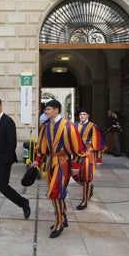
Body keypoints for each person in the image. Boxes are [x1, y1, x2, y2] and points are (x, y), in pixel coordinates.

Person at [33, 100, 86, 238]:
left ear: (56, 110)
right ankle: (63, 217)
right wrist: (37, 161)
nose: (46, 111)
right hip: (51, 162)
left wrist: (75, 166)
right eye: (46, 109)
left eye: (48, 109)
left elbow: (79, 148)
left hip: (63, 163)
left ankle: (59, 222)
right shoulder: (46, 127)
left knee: (55, 192)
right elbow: (42, 146)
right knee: (56, 192)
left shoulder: (68, 126)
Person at [0, 97, 31, 225]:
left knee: (3, 187)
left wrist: (5, 161)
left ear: (1, 106)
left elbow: (12, 143)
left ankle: (23, 202)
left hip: (3, 161)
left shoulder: (8, 122)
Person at [73, 108, 106, 210]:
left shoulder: (93, 127)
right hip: (76, 154)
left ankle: (84, 201)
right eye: (80, 114)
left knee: (86, 177)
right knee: (74, 175)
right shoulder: (75, 125)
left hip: (88, 154)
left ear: (88, 115)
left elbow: (98, 143)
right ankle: (89, 187)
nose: (82, 116)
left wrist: (99, 158)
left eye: (84, 114)